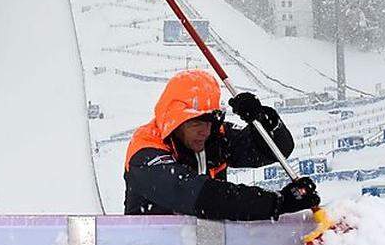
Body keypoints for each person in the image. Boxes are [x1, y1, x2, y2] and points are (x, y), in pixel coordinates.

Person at [123, 69, 319, 220]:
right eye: (197, 122)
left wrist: (264, 121)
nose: (205, 131)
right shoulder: (145, 152)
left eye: (210, 122)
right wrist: (277, 202)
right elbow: (200, 196)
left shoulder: (213, 137)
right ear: (175, 122)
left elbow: (276, 150)